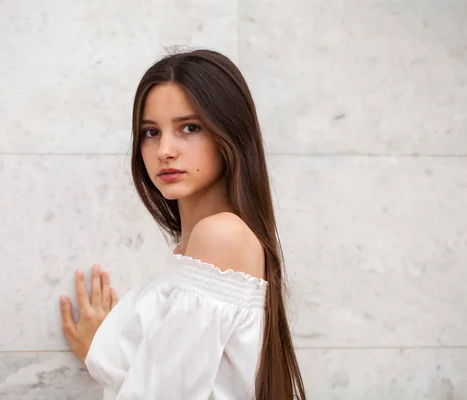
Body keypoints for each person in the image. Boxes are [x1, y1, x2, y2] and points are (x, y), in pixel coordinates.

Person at [59, 49, 306, 400]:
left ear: (230, 135)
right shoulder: (196, 248)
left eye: (189, 128)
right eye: (150, 132)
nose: (164, 150)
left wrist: (99, 351)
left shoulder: (220, 237)